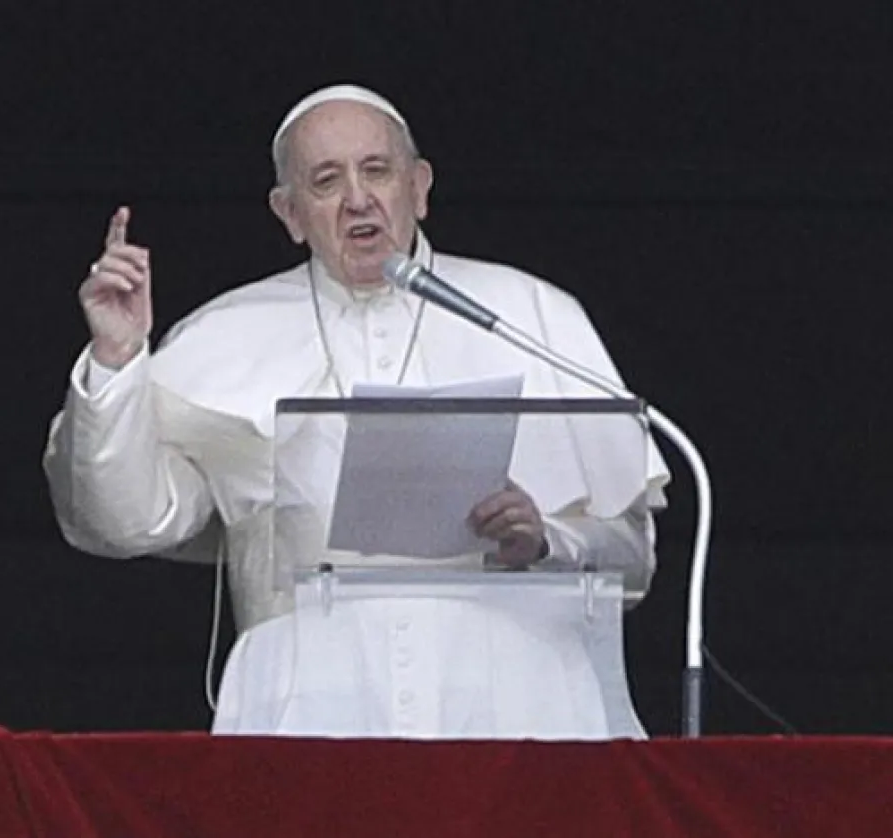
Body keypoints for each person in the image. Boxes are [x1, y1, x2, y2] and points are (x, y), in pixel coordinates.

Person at [42, 83, 670, 739]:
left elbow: (633, 561)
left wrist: (546, 539)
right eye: (325, 181)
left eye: (377, 171)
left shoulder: (532, 314)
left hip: (520, 708)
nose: (359, 199)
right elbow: (119, 522)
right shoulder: (221, 334)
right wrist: (116, 361)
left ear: (419, 187)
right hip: (310, 708)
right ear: (288, 213)